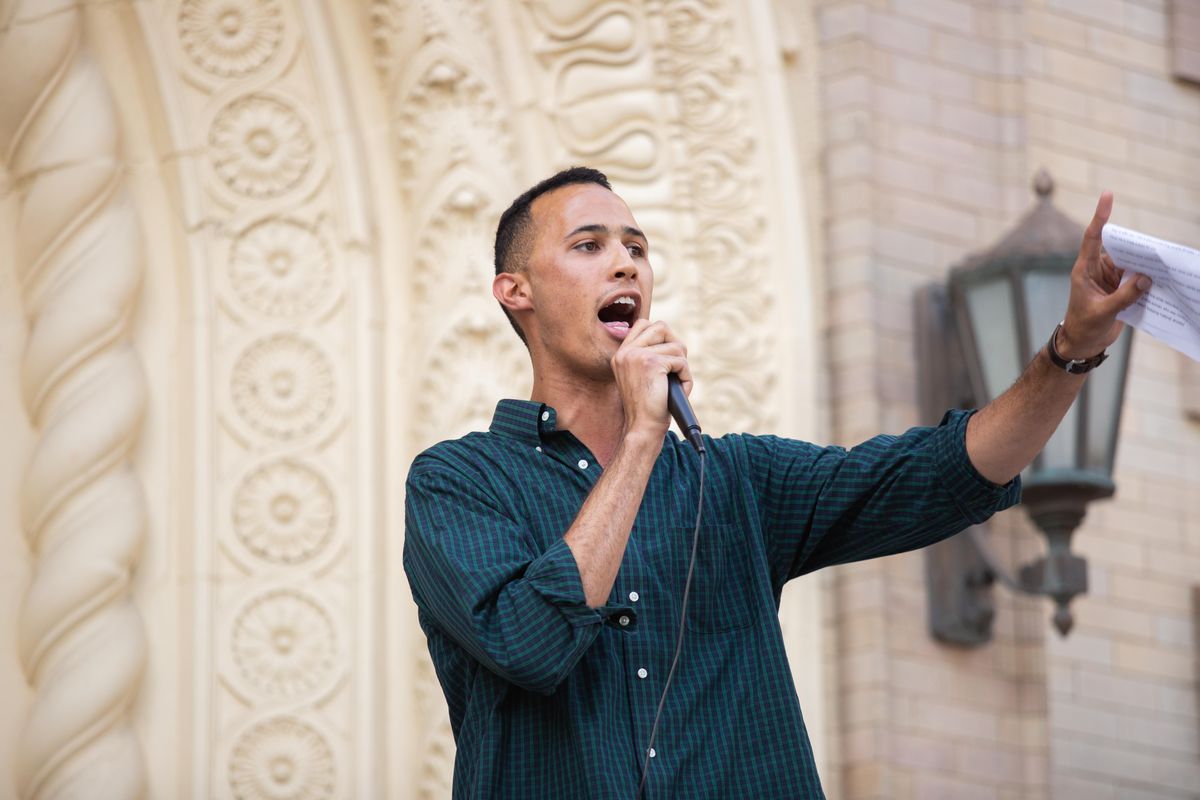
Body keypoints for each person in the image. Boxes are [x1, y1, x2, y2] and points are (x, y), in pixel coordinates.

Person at [403, 167, 1149, 799]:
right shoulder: (458, 481)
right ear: (515, 290)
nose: (627, 264)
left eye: (637, 248)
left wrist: (1071, 351)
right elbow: (530, 643)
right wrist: (639, 441)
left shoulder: (735, 480)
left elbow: (944, 472)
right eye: (590, 246)